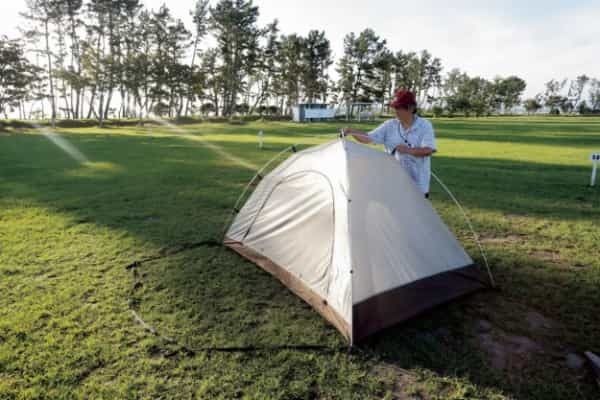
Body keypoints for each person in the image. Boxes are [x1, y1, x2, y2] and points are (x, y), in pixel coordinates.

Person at [343, 89, 437, 198]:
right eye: (395, 107)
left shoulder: (424, 126)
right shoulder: (389, 125)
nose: (395, 111)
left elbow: (428, 150)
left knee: (415, 215)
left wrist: (408, 150)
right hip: (393, 183)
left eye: (399, 108)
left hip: (418, 185)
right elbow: (368, 138)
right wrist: (351, 131)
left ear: (411, 108)